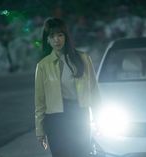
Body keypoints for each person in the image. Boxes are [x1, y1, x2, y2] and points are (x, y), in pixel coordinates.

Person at [35, 17, 100, 157]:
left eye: (60, 35)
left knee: (81, 153)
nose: (56, 40)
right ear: (47, 39)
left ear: (66, 37)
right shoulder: (42, 66)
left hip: (79, 114)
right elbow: (40, 102)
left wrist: (98, 119)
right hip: (55, 119)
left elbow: (94, 91)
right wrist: (40, 131)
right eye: (52, 36)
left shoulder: (83, 59)